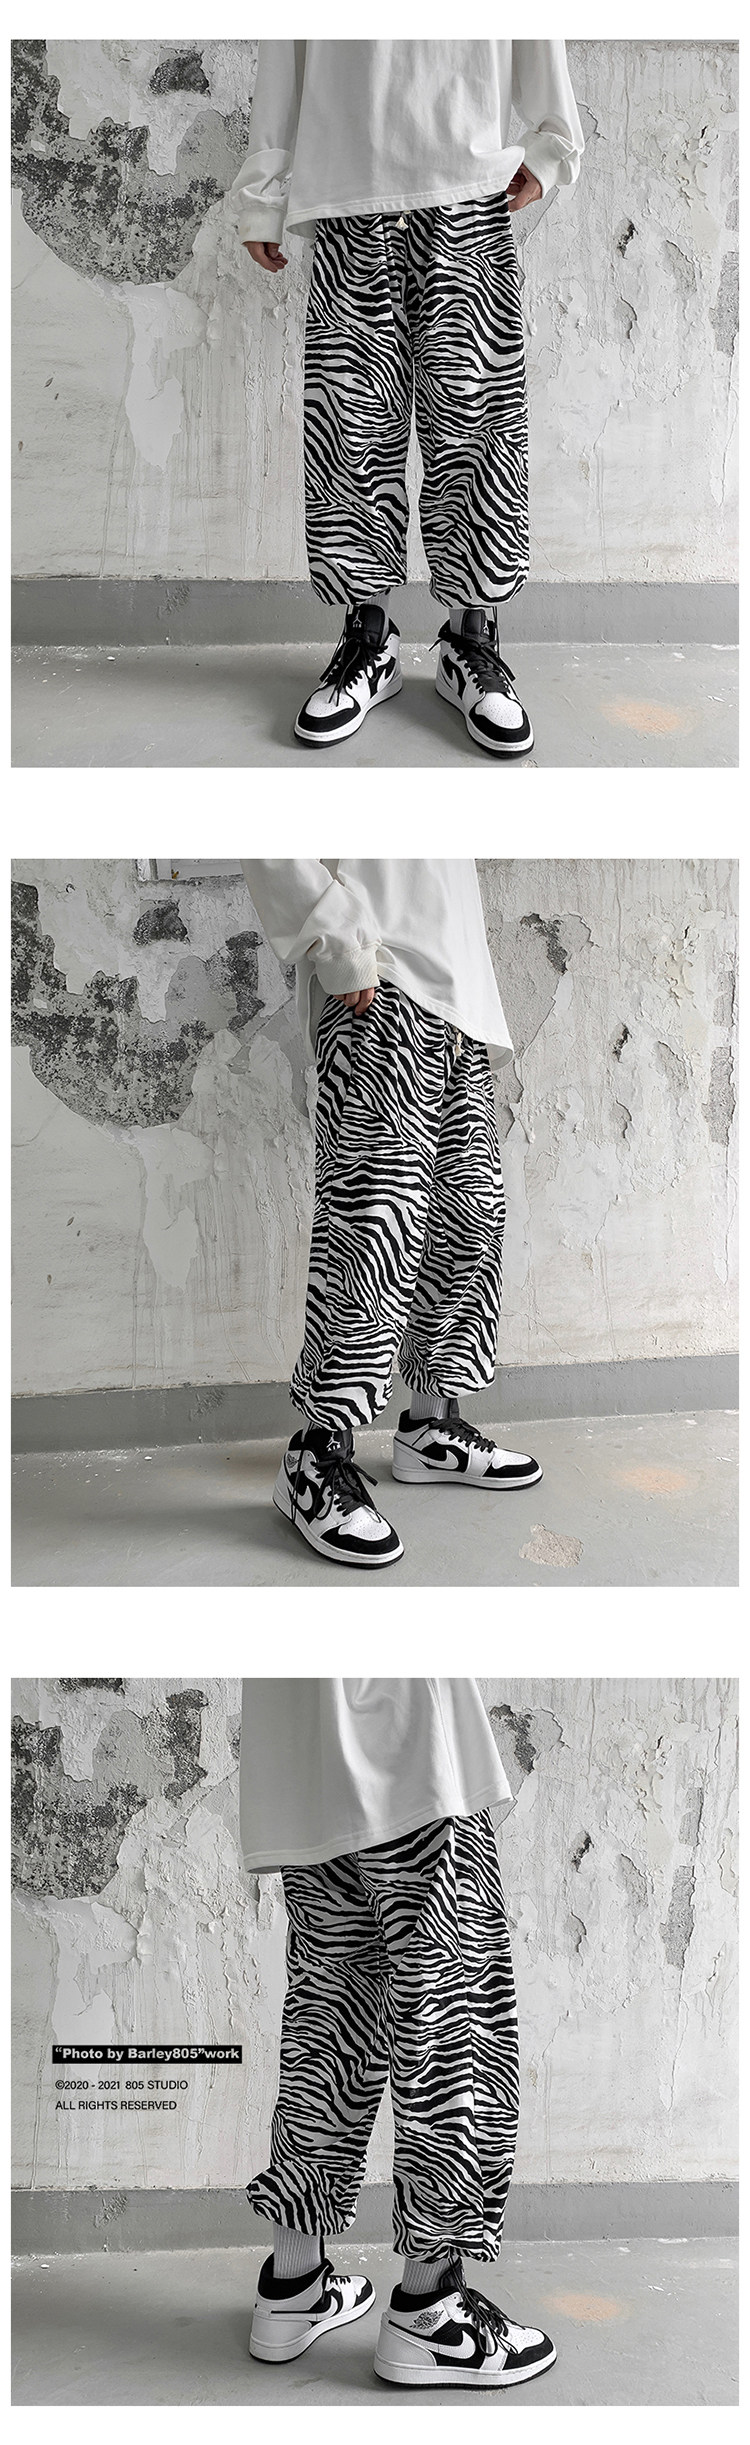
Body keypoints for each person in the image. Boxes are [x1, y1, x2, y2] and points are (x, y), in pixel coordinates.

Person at [231, 39, 583, 752]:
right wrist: (263, 194)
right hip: (348, 195)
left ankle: (470, 640)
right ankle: (368, 639)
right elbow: (285, 45)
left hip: (469, 193)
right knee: (349, 435)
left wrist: (551, 148)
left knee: (479, 435)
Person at [241, 1677, 556, 2391]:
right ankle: (431, 2309)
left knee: (329, 2022)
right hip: (409, 1738)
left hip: (300, 1753)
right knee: (455, 2023)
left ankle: (292, 2285)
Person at [242, 858, 542, 1571]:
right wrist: (337, 934)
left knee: (471, 1219)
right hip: (378, 979)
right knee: (373, 1226)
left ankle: (429, 1427)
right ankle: (315, 1457)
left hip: (459, 996)